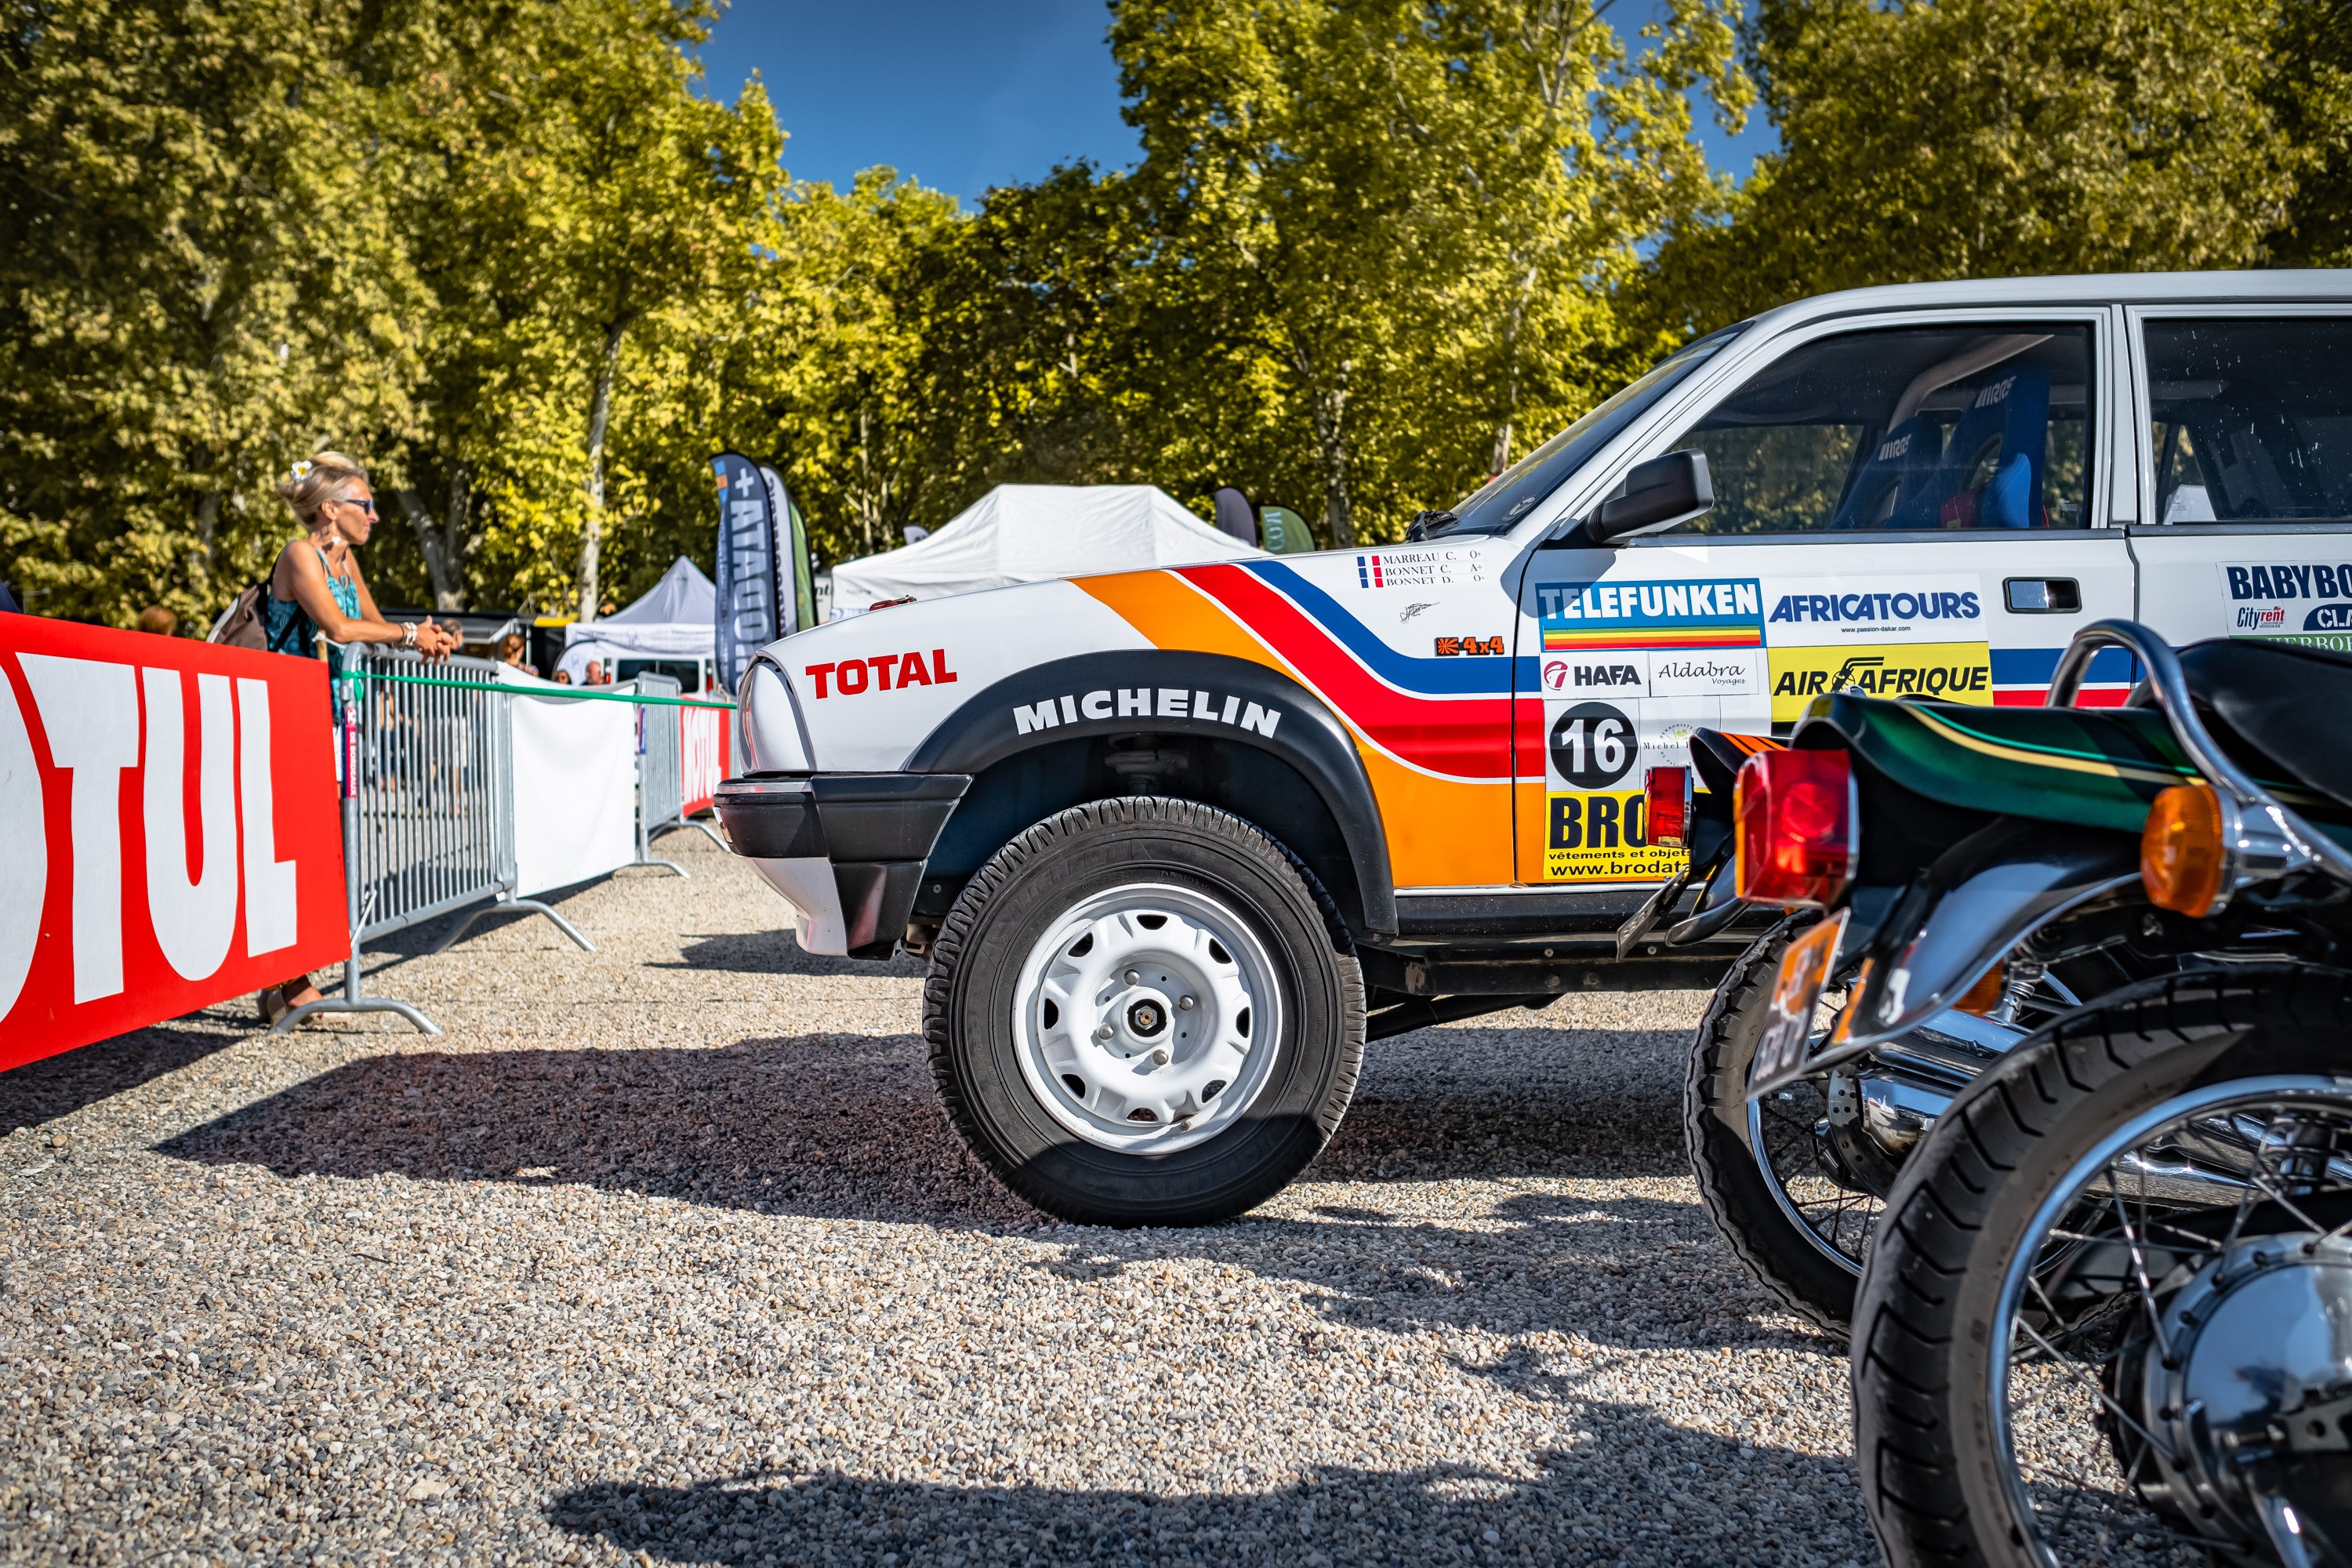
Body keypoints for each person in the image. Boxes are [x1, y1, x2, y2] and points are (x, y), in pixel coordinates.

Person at [256, 452, 458, 1026]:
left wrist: (426, 638)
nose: (375, 516)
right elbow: (341, 629)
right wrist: (405, 633)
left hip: (338, 720)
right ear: (329, 508)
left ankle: (289, 979)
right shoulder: (301, 556)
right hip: (292, 718)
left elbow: (376, 624)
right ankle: (287, 981)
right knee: (298, 849)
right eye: (364, 505)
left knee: (332, 847)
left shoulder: (344, 560)